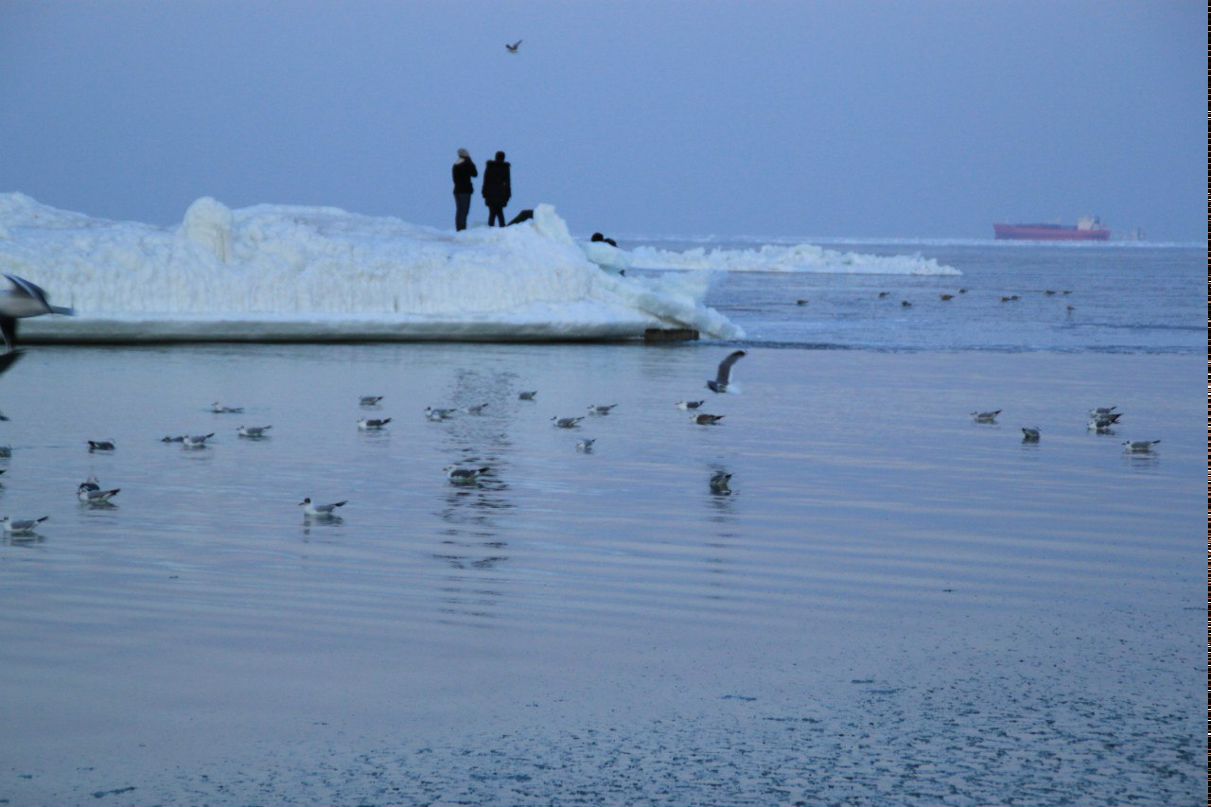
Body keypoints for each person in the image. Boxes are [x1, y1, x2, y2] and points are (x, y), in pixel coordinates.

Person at [481, 151, 512, 227]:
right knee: (499, 212)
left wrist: (484, 192)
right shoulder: (505, 168)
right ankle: (502, 228)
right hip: (501, 194)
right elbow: (508, 182)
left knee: (492, 212)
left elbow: (486, 180)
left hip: (490, 193)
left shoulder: (490, 166)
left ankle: (491, 228)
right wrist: (508, 194)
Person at [452, 148, 477, 231]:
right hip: (465, 190)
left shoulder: (455, 165)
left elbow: (454, 179)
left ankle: (459, 228)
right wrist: (470, 161)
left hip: (457, 190)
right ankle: (462, 229)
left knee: (459, 210)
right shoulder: (467, 163)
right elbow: (475, 173)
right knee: (464, 211)